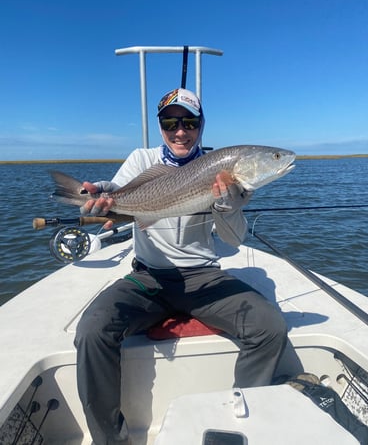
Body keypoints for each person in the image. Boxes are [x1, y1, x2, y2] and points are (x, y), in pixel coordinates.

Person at [74, 88, 288, 445]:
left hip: (203, 277)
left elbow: (235, 241)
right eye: (170, 122)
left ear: (201, 125)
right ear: (160, 126)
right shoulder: (142, 159)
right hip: (148, 277)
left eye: (189, 122)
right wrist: (97, 197)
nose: (180, 131)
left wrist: (228, 206)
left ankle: (238, 426)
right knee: (92, 331)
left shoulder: (223, 170)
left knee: (270, 327)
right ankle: (110, 439)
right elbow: (118, 190)